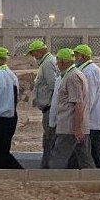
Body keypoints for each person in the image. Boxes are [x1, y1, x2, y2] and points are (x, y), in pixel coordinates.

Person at [48, 48, 94, 169]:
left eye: (58, 60)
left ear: (63, 62)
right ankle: (95, 182)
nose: (56, 63)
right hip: (73, 127)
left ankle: (52, 184)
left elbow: (78, 104)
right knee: (84, 159)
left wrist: (77, 128)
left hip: (69, 128)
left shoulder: (72, 77)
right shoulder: (71, 75)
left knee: (58, 158)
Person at [73, 44, 100, 168]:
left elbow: (88, 99)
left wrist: (81, 120)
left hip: (91, 121)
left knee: (95, 153)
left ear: (82, 57)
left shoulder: (89, 71)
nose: (74, 58)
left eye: (76, 55)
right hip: (91, 121)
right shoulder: (88, 69)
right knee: (93, 152)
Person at [28, 39, 59, 169]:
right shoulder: (46, 62)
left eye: (34, 53)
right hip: (47, 108)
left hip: (50, 108)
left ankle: (47, 168)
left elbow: (53, 85)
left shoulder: (47, 63)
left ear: (40, 51)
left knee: (49, 139)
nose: (33, 56)